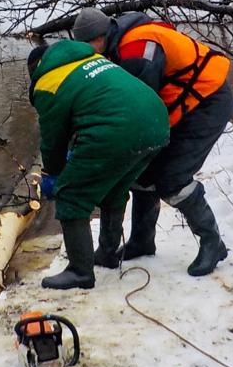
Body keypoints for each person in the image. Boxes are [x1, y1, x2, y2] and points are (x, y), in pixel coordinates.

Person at [70, 7, 233, 277]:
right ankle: (142, 241)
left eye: (86, 47)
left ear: (98, 38)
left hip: (208, 102)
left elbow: (141, 110)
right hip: (184, 101)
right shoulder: (118, 42)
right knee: (143, 171)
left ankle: (212, 243)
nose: (85, 55)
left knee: (173, 178)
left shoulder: (136, 52)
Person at [27, 40, 169, 290]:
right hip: (157, 123)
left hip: (118, 129)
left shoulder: (48, 82)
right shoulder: (89, 59)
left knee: (71, 196)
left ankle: (80, 272)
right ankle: (107, 253)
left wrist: (53, 175)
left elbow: (52, 141)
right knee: (114, 187)